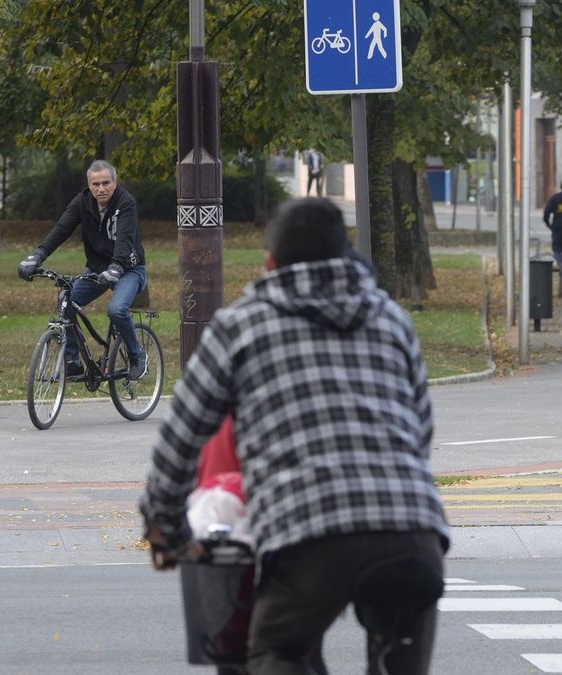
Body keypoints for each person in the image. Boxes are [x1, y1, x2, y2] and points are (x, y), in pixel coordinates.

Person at [140, 197, 450, 675]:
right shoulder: (391, 318)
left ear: (269, 262)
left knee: (276, 652)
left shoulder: (240, 325)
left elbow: (182, 440)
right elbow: (420, 432)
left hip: (307, 532)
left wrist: (168, 531)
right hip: (412, 530)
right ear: (343, 254)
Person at [17, 160, 148, 379]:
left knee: (116, 310)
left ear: (115, 183)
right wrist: (37, 256)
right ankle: (72, 361)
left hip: (128, 269)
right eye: (96, 184)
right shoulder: (82, 202)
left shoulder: (126, 202)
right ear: (89, 184)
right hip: (96, 269)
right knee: (65, 303)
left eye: (106, 183)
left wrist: (116, 267)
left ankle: (136, 355)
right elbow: (61, 229)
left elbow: (125, 239)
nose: (101, 188)